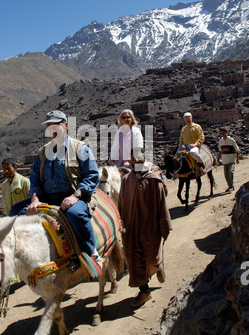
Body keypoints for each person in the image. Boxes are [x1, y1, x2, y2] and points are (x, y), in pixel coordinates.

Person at [9, 110, 102, 267]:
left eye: (55, 125)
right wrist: (35, 198)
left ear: (65, 126)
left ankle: (91, 251)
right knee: (15, 211)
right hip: (47, 197)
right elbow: (35, 179)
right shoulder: (43, 152)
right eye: (48, 126)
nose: (51, 129)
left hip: (74, 195)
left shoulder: (80, 148)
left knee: (75, 214)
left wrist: (76, 195)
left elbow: (92, 175)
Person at [118, 149, 172, 308]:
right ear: (131, 161)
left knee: (152, 259)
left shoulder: (155, 181)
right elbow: (121, 203)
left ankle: (158, 267)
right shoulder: (127, 180)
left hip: (150, 229)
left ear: (145, 159)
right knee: (134, 260)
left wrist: (165, 225)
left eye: (139, 160)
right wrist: (120, 221)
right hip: (131, 230)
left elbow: (163, 205)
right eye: (134, 160)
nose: (137, 162)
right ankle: (144, 290)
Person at [216, 128, 240, 192]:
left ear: (226, 133)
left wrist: (237, 158)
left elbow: (236, 149)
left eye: (224, 133)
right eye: (221, 133)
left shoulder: (231, 140)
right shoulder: (221, 141)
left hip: (231, 160)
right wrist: (218, 160)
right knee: (226, 175)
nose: (223, 134)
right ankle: (230, 186)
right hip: (224, 160)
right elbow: (220, 151)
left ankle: (230, 186)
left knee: (230, 172)